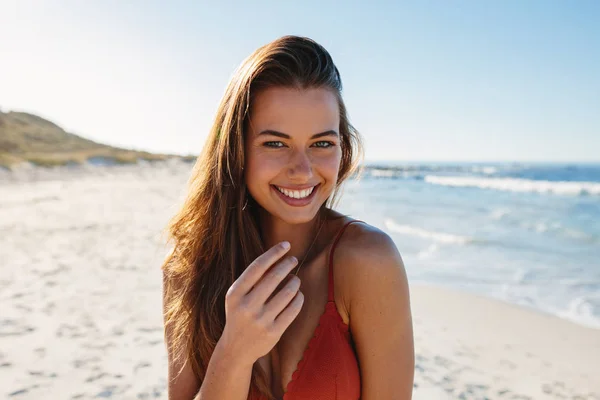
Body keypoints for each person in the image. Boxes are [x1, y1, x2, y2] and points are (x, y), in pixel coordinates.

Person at [162, 35, 414, 400]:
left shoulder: (367, 261)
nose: (302, 170)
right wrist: (234, 353)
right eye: (276, 143)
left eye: (322, 143)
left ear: (343, 148)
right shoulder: (188, 266)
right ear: (236, 149)